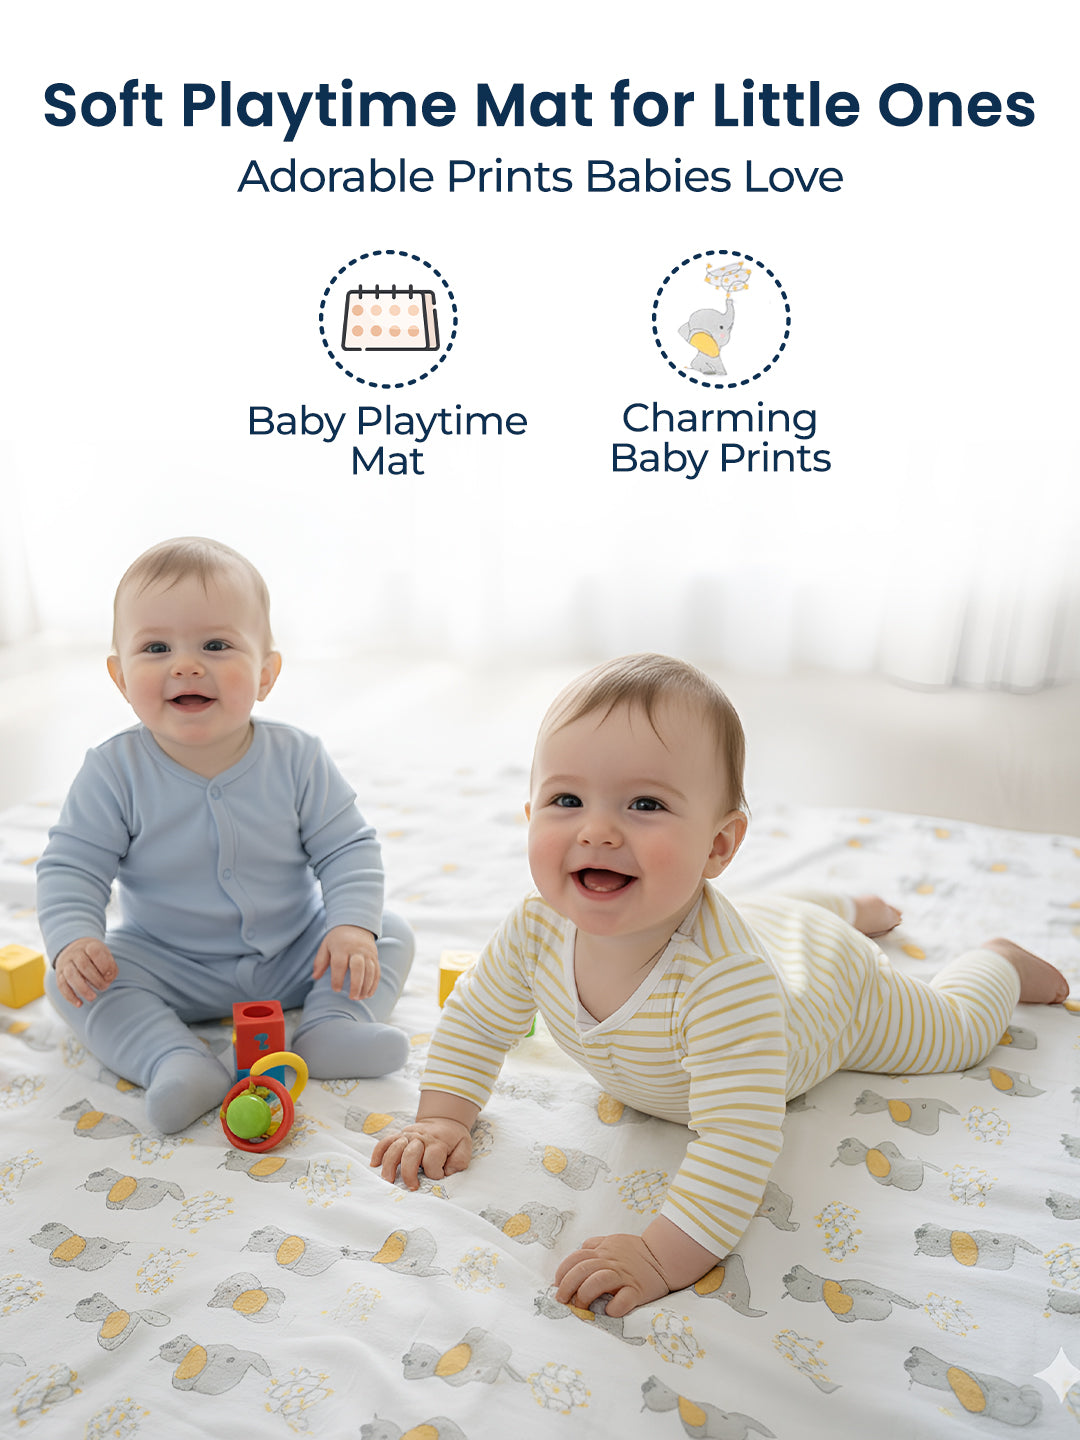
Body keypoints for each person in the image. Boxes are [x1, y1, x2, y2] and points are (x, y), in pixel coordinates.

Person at [372, 652, 1069, 1317]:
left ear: (719, 846)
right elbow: (478, 1019)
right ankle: (849, 904)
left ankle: (996, 961)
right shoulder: (535, 925)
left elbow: (736, 1141)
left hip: (830, 991)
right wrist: (443, 1114)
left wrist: (659, 1255)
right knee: (773, 914)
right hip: (766, 921)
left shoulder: (726, 986)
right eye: (566, 798)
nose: (598, 830)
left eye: (644, 804)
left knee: (954, 1033)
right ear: (529, 817)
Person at [37, 536, 414, 1133]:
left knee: (386, 932)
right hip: (169, 960)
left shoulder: (297, 757)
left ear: (266, 674)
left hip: (295, 950)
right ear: (120, 676)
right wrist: (74, 940)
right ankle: (175, 1060)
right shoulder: (113, 770)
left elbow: (347, 849)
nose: (186, 664)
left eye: (216, 645)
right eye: (156, 647)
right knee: (68, 985)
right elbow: (71, 868)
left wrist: (349, 928)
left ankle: (330, 1027)